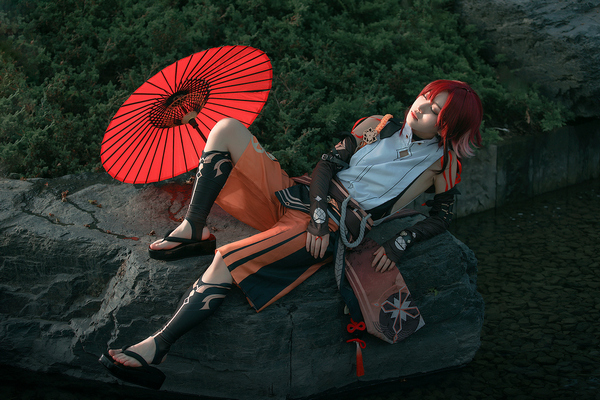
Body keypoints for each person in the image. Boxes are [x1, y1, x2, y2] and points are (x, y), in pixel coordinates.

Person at [100, 79, 483, 389]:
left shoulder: (442, 164)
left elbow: (442, 216)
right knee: (226, 129)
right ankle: (192, 228)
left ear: (449, 125)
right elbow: (326, 166)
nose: (422, 107)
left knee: (226, 259)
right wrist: (315, 212)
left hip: (334, 225)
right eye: (426, 97)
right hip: (301, 197)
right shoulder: (377, 126)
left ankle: (158, 347)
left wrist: (401, 241)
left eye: (436, 110)